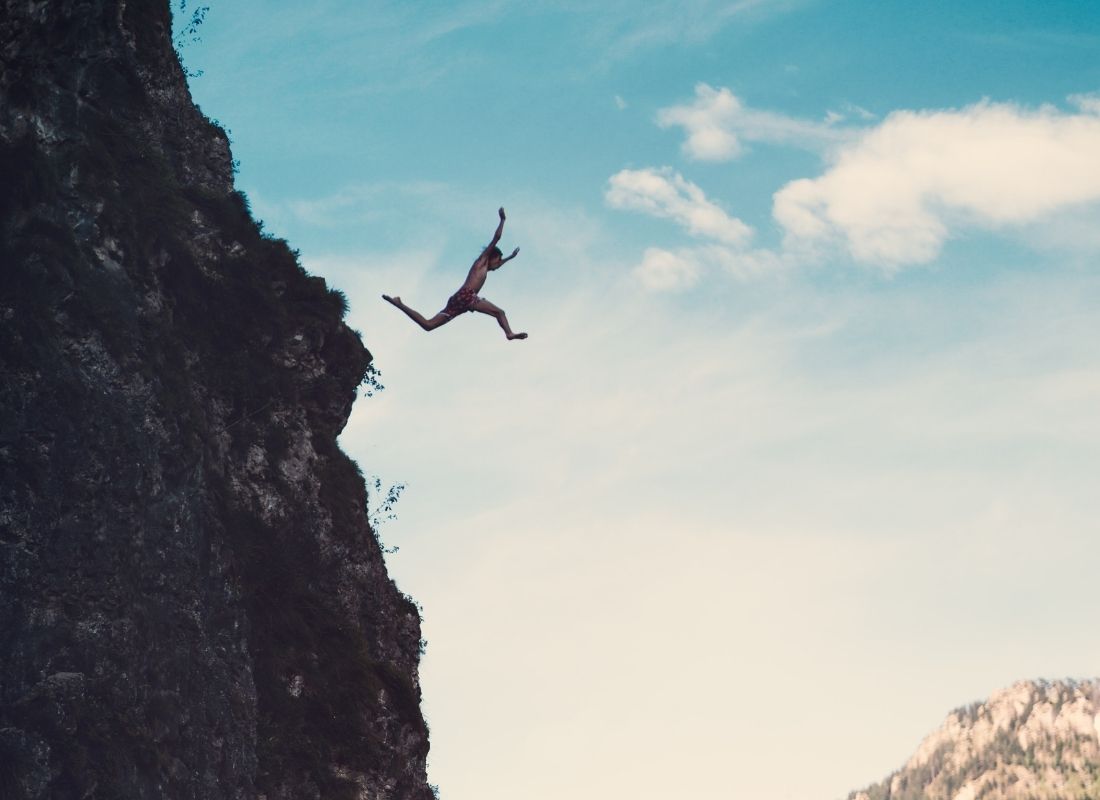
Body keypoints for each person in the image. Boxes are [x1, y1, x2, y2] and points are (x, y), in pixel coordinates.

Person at [383, 207, 527, 340]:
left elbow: (497, 266)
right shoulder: (481, 261)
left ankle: (399, 303)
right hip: (467, 296)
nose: (498, 264)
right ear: (492, 257)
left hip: (458, 299)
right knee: (500, 313)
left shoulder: (485, 267)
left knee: (429, 325)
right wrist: (502, 220)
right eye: (498, 260)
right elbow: (496, 238)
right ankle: (509, 333)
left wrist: (509, 257)